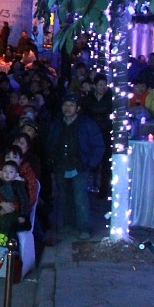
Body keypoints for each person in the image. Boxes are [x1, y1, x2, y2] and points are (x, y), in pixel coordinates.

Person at [45, 93, 105, 240]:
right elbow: (50, 142)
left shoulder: (87, 124)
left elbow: (99, 146)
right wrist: (51, 159)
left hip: (80, 166)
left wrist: (90, 164)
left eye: (71, 105)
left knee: (80, 197)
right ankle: (69, 223)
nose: (67, 108)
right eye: (65, 105)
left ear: (78, 108)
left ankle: (84, 227)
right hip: (60, 165)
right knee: (64, 196)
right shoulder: (57, 124)